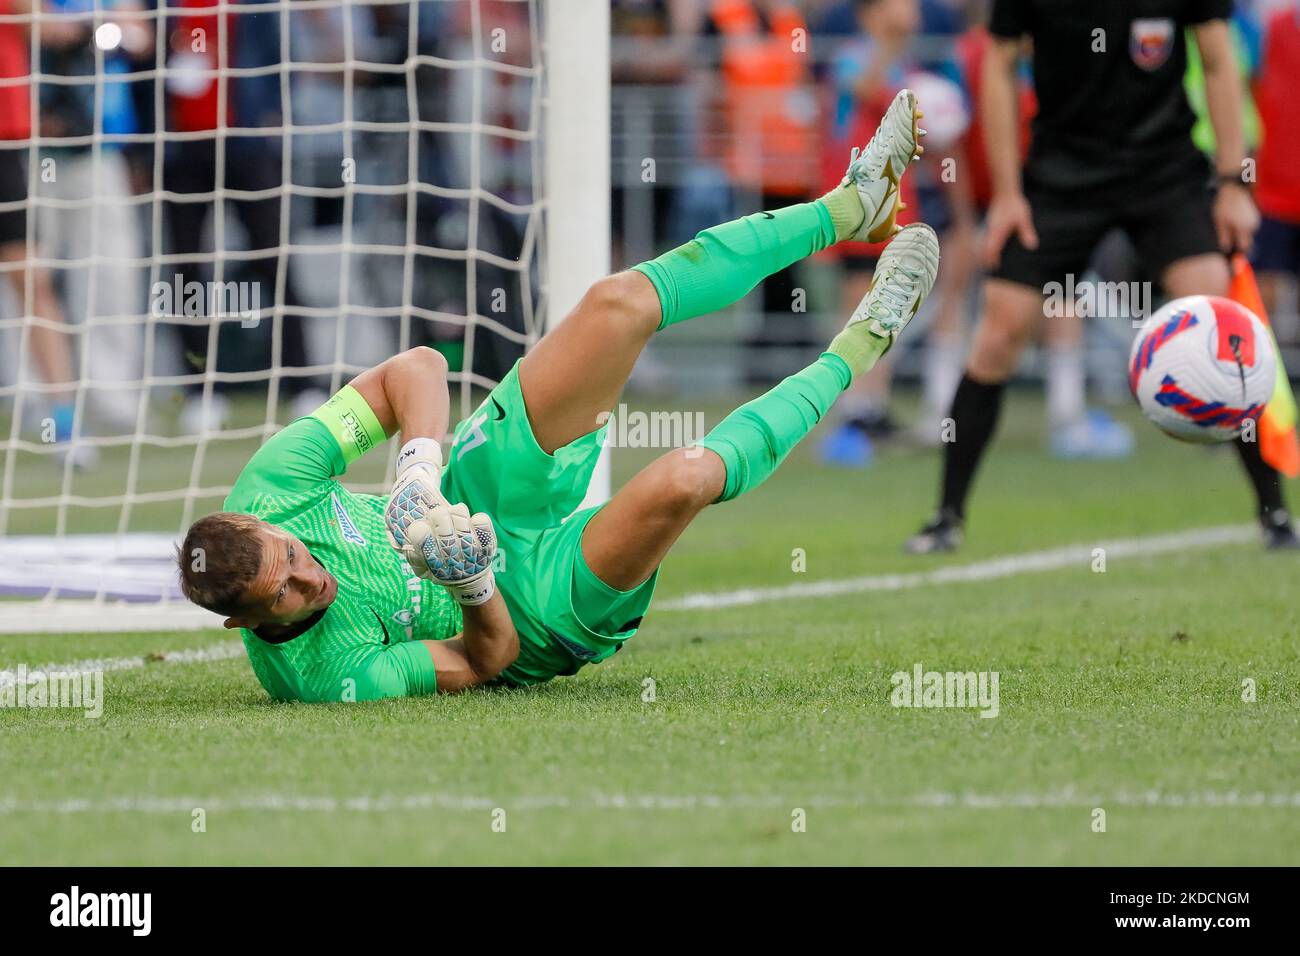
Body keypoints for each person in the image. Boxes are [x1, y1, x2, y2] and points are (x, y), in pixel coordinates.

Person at [174, 92, 937, 702]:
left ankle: (847, 211)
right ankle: (862, 343)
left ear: (259, 520)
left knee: (618, 302)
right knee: (685, 477)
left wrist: (414, 469)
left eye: (295, 557)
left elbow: (416, 368)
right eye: (286, 595)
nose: (312, 580)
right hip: (526, 612)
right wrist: (470, 582)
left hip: (468, 494)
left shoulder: (275, 485)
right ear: (243, 622)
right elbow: (487, 659)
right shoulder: (320, 675)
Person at [906, 0, 1298, 553]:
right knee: (999, 333)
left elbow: (1217, 61)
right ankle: (946, 518)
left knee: (1219, 314)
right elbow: (997, 66)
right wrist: (1009, 194)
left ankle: (1275, 515)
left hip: (1164, 173)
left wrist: (1234, 183)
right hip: (1060, 176)